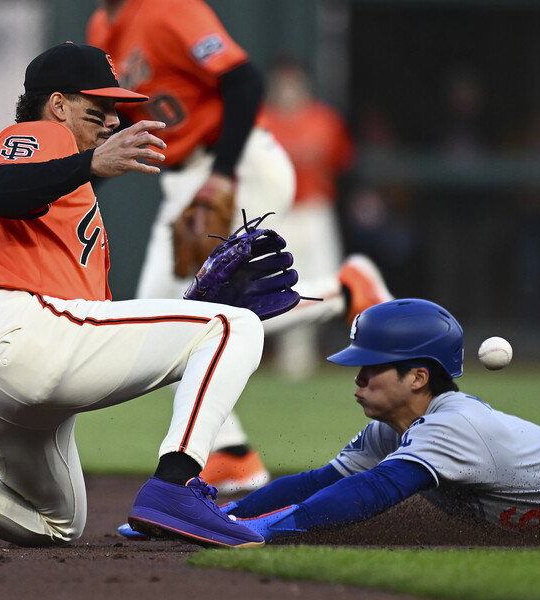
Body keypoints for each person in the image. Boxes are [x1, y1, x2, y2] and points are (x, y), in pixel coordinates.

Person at [0, 42, 268, 550]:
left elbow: (92, 319)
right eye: (99, 106)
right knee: (234, 325)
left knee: (59, 522)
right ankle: (176, 484)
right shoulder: (42, 134)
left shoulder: (68, 183)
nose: (114, 120)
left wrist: (184, 319)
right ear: (58, 104)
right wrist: (90, 163)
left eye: (116, 107)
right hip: (18, 335)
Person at [87, 0, 391, 494]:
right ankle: (230, 453)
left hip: (237, 163)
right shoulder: (103, 26)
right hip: (184, 179)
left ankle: (344, 293)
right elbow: (118, 125)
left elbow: (243, 80)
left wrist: (224, 175)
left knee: (180, 325)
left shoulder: (168, 8)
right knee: (160, 330)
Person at [122, 298, 540, 541]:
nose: (358, 378)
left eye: (371, 367)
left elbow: (374, 491)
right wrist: (218, 517)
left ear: (418, 377)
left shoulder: (452, 426)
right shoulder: (390, 431)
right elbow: (317, 483)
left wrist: (264, 531)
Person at [257, 54, 355, 379]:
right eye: (282, 84)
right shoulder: (260, 121)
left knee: (326, 285)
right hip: (277, 213)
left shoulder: (325, 120)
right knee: (279, 285)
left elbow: (342, 164)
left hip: (315, 211)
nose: (288, 90)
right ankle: (289, 356)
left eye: (293, 83)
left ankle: (301, 351)